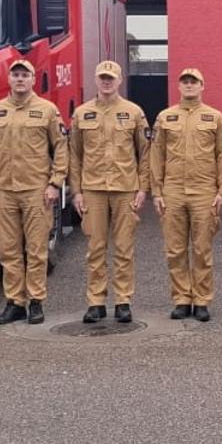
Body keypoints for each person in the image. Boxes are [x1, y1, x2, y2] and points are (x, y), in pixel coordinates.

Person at [0, 59, 67, 325]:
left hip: (36, 191)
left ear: (33, 80)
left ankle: (36, 301)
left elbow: (61, 148)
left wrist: (55, 184)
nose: (19, 79)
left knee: (36, 249)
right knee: (8, 250)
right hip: (4, 191)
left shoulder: (47, 110)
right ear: (10, 79)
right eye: (15, 75)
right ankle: (15, 301)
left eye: (24, 75)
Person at [71, 60, 151, 324]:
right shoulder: (82, 114)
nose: (107, 82)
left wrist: (142, 188)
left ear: (119, 81)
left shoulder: (134, 112)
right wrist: (76, 192)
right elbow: (74, 156)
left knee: (124, 248)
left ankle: (123, 301)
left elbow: (145, 154)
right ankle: (95, 302)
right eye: (103, 78)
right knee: (95, 247)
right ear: (96, 80)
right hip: (93, 189)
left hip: (125, 189)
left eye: (111, 78)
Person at [151, 68, 222, 322]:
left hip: (204, 191)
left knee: (202, 249)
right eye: (184, 81)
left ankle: (202, 300)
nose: (189, 85)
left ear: (202, 86)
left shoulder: (214, 117)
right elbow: (157, 155)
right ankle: (182, 299)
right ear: (178, 86)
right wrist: (157, 191)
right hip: (173, 190)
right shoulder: (165, 117)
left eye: (193, 82)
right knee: (174, 249)